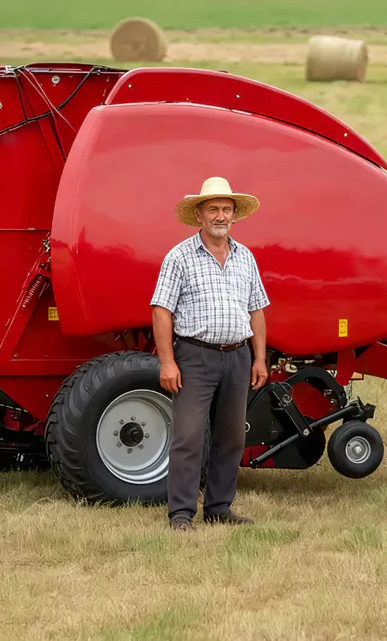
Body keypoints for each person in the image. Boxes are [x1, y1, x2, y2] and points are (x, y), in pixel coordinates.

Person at [150, 176, 270, 532]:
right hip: (195, 357)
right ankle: (181, 515)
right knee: (188, 436)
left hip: (237, 358)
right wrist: (167, 361)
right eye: (213, 209)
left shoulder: (245, 257)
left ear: (234, 216)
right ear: (199, 216)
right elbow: (161, 310)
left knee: (232, 437)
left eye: (226, 209)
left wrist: (259, 358)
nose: (221, 215)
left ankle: (219, 507)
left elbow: (257, 310)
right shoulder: (179, 257)